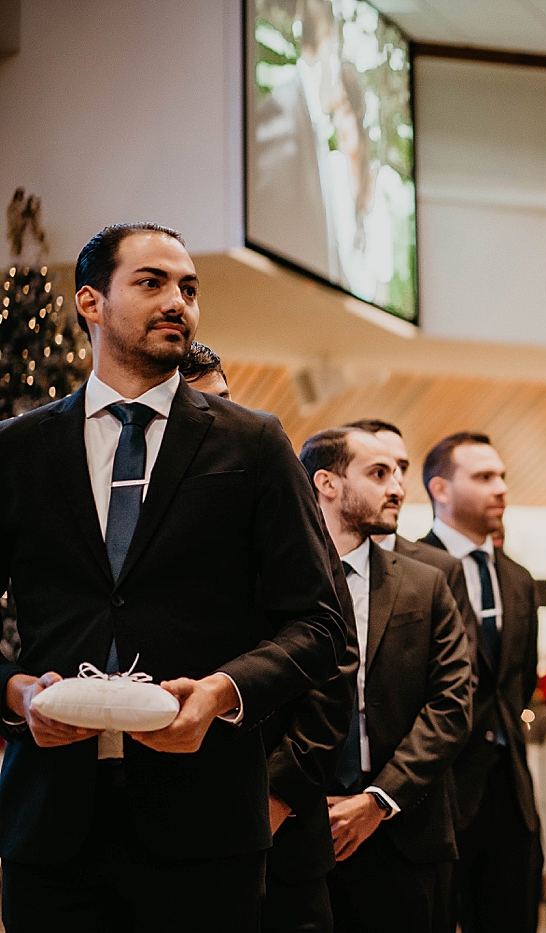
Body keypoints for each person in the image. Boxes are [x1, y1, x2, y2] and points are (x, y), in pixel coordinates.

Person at [0, 222, 348, 932]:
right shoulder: (20, 448)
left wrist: (221, 692)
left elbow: (319, 623)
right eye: (151, 282)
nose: (177, 302)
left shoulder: (253, 442)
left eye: (189, 288)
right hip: (50, 824)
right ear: (91, 302)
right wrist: (16, 692)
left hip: (205, 826)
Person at [301, 427, 474, 933]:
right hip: (297, 825)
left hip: (406, 829)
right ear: (327, 483)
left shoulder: (426, 584)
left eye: (398, 474)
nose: (397, 487)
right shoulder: (275, 577)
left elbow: (451, 705)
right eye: (379, 474)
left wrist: (379, 800)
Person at [420, 431, 543, 933]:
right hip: (438, 787)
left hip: (509, 789)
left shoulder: (518, 578)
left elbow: (521, 679)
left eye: (502, 476)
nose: (501, 488)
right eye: (484, 476)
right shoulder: (408, 569)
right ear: (441, 490)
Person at [342, 419, 475, 636]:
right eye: (379, 471)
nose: (397, 481)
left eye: (401, 468)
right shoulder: (308, 563)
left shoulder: (440, 568)